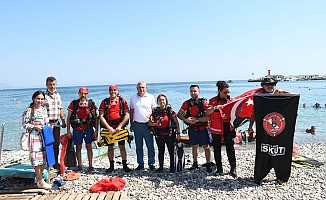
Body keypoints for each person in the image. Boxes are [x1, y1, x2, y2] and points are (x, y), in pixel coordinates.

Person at [247, 77, 295, 185]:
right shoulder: (260, 98)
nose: (270, 86)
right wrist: (250, 127)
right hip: (264, 130)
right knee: (263, 151)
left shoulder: (282, 96)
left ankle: (281, 176)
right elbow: (254, 113)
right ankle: (259, 175)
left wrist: (282, 92)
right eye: (268, 85)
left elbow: (295, 96)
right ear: (263, 86)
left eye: (272, 84)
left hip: (281, 130)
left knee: (282, 152)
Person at [205, 81, 237, 178]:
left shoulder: (231, 100)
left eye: (228, 92)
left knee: (230, 148)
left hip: (228, 127)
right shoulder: (213, 101)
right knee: (217, 148)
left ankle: (233, 168)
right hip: (216, 128)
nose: (227, 94)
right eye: (225, 92)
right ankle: (219, 169)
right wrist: (215, 108)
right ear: (219, 91)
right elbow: (207, 112)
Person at [177, 85, 212, 172]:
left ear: (199, 92)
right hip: (192, 129)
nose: (193, 93)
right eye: (191, 91)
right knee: (194, 147)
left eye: (195, 91)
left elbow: (209, 117)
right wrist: (186, 120)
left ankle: (208, 163)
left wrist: (197, 120)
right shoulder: (186, 103)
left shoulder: (204, 103)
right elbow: (179, 114)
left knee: (206, 147)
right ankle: (195, 163)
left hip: (203, 128)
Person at [99, 85, 132, 172]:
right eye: (111, 90)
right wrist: (108, 127)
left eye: (114, 90)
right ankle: (111, 166)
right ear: (108, 91)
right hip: (109, 128)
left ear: (117, 91)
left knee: (122, 147)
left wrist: (120, 126)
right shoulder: (105, 102)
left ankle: (125, 165)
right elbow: (101, 116)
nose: (113, 92)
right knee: (110, 147)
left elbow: (127, 115)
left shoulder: (122, 101)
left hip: (119, 128)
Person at [22, 91, 51, 189]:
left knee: (44, 158)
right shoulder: (29, 110)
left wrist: (48, 128)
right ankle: (41, 180)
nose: (40, 100)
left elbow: (47, 122)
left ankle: (38, 178)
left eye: (42, 99)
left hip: (44, 136)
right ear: (33, 98)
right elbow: (25, 124)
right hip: (34, 137)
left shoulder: (44, 110)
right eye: (38, 98)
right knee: (36, 159)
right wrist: (35, 127)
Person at [66, 87, 98, 172]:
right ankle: (79, 165)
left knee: (89, 146)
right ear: (78, 93)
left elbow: (95, 118)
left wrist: (96, 130)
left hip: (88, 128)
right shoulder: (74, 104)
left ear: (87, 94)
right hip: (77, 129)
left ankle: (90, 166)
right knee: (78, 147)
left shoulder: (91, 104)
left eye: (85, 93)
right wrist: (68, 130)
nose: (83, 95)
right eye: (81, 93)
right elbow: (68, 117)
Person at [148, 94, 181, 173]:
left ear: (166, 101)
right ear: (157, 102)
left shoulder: (170, 111)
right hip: (159, 135)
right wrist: (155, 124)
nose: (161, 101)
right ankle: (161, 167)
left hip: (169, 135)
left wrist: (178, 133)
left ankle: (172, 167)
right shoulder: (154, 111)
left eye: (163, 100)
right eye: (160, 100)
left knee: (171, 151)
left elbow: (177, 123)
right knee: (161, 151)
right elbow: (149, 123)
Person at [130, 81, 156, 170]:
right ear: (137, 88)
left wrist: (154, 123)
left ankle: (151, 163)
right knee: (139, 146)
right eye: (140, 87)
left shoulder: (151, 97)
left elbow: (154, 111)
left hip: (148, 125)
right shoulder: (133, 98)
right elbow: (131, 112)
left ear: (146, 88)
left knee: (150, 146)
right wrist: (131, 124)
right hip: (137, 124)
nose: (141, 89)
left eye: (143, 87)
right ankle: (140, 164)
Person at [43, 76, 66, 170]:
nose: (52, 86)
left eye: (54, 84)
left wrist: (63, 120)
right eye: (50, 84)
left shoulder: (58, 95)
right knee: (48, 144)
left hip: (56, 123)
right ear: (46, 85)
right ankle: (49, 163)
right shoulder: (43, 96)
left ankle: (55, 163)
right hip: (47, 124)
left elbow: (60, 109)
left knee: (56, 143)